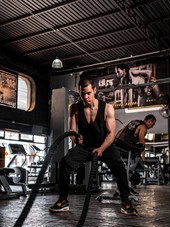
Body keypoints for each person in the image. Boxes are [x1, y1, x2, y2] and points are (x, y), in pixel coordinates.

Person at [49, 77, 137, 215]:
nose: (85, 96)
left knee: (119, 166)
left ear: (94, 90)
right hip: (85, 147)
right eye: (82, 93)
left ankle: (126, 201)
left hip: (105, 146)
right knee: (65, 162)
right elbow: (72, 132)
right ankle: (63, 200)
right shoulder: (75, 108)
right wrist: (76, 139)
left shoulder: (107, 108)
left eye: (88, 93)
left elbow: (111, 134)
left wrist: (101, 149)